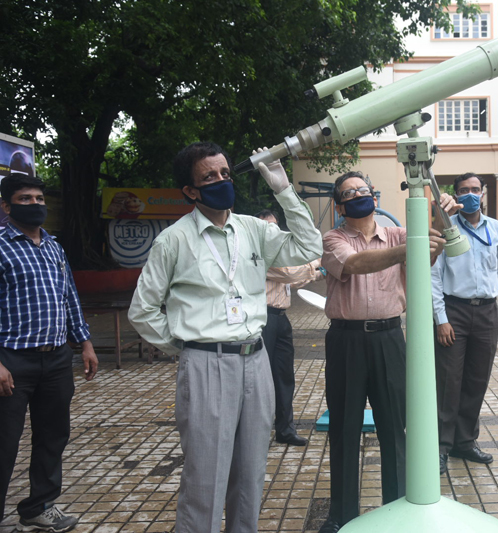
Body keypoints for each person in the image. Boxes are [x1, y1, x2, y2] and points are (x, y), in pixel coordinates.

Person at [128, 142, 322, 533]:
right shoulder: (174, 240)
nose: (221, 180)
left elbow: (308, 247)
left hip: (256, 358)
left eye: (225, 173)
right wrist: (186, 346)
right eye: (209, 177)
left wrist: (284, 190)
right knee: (205, 479)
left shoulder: (253, 229)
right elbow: (143, 310)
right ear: (190, 191)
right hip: (206, 364)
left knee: (251, 474)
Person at [318, 171, 452, 533]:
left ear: (375, 197)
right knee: (343, 428)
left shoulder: (397, 234)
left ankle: (397, 508)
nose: (358, 195)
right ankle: (342, 515)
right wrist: (412, 247)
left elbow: (429, 249)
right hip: (346, 341)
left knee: (394, 427)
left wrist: (441, 216)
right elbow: (354, 264)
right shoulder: (333, 239)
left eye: (363, 190)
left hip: (389, 338)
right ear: (339, 205)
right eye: (349, 193)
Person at [0, 173, 98, 532]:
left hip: (56, 359)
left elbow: (69, 296)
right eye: (25, 199)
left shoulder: (54, 247)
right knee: (4, 442)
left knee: (53, 436)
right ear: (6, 206)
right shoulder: (1, 247)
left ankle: (38, 507)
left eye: (39, 199)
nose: (35, 204)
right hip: (11, 360)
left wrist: (85, 343)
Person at [432, 172, 498, 476]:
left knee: (477, 380)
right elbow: (434, 276)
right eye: (464, 190)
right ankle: (441, 446)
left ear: (483, 193)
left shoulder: (497, 229)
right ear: (456, 195)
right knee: (448, 382)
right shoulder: (447, 229)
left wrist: (486, 293)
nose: (470, 194)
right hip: (455, 312)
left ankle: (465, 442)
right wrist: (441, 319)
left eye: (475, 189)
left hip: (487, 313)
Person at [257, 208, 323, 447]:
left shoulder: (278, 252)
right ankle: (257, 432)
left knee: (283, 375)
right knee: (260, 378)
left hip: (281, 318)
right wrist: (318, 261)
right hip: (262, 319)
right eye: (266, 226)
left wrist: (317, 273)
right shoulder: (259, 253)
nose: (272, 231)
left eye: (275, 226)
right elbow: (289, 274)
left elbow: (295, 280)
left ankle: (285, 429)